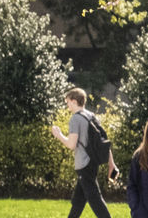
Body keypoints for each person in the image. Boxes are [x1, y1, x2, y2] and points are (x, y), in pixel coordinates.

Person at [51, 88, 116, 218]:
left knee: (95, 199)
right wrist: (111, 164)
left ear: (74, 101)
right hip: (92, 163)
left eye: (68, 102)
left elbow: (71, 144)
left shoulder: (75, 119)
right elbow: (103, 142)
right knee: (78, 201)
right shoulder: (91, 116)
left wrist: (58, 135)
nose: (67, 105)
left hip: (83, 164)